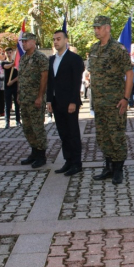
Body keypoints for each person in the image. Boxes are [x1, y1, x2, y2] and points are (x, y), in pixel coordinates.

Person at [90, 16, 133, 185]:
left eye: (99, 27)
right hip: (99, 103)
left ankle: (118, 169)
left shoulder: (117, 48)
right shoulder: (94, 49)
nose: (96, 30)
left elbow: (129, 73)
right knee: (103, 136)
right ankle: (108, 166)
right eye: (94, 27)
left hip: (115, 102)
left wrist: (126, 98)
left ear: (107, 28)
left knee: (116, 136)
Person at [47, 30, 85, 176]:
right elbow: (51, 82)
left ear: (66, 40)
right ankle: (68, 161)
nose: (56, 42)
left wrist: (74, 101)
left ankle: (77, 163)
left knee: (73, 133)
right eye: (54, 39)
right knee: (63, 133)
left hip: (70, 102)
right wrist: (49, 100)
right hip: (56, 102)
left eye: (58, 39)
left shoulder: (74, 58)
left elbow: (76, 82)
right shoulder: (51, 59)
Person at [17, 32, 49, 168]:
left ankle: (41, 155)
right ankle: (34, 152)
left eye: (26, 41)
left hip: (35, 98)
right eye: (22, 41)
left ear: (33, 42)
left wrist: (40, 96)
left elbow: (44, 78)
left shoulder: (40, 58)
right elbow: (21, 78)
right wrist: (19, 94)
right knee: (28, 128)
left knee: (37, 127)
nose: (23, 43)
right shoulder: (23, 58)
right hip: (24, 99)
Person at [2, 48, 21, 128]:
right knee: (7, 104)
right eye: (7, 52)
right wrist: (12, 65)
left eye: (10, 52)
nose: (9, 54)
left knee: (17, 104)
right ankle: (7, 122)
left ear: (13, 53)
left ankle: (18, 121)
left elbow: (19, 76)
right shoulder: (4, 62)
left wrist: (12, 81)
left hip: (15, 86)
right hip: (7, 87)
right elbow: (5, 66)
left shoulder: (17, 63)